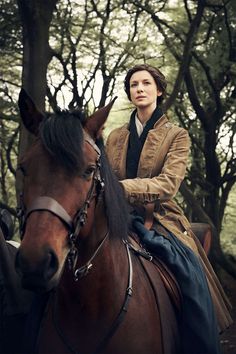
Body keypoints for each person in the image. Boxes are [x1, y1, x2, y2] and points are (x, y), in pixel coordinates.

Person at [106, 63, 232, 353]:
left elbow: (168, 184)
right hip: (116, 214)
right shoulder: (114, 137)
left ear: (158, 90)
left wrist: (121, 188)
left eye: (146, 83)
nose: (139, 88)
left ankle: (199, 343)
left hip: (160, 217)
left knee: (188, 273)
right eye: (134, 84)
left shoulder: (177, 135)